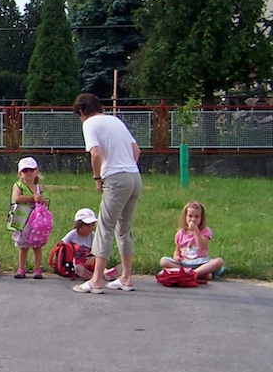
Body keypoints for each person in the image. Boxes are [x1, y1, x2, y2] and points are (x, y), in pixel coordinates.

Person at [72, 93, 142, 294]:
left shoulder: (90, 124)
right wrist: (126, 166)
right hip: (134, 176)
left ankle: (96, 280)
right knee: (124, 228)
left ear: (82, 111)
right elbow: (136, 151)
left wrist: (97, 178)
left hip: (115, 177)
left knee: (105, 227)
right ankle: (127, 278)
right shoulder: (115, 120)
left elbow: (95, 154)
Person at [159, 201, 226, 280]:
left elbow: (202, 247)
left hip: (201, 262)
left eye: (196, 216)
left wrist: (196, 231)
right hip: (184, 262)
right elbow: (177, 250)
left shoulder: (205, 231)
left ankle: (192, 273)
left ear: (201, 218)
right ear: (185, 217)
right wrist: (176, 256)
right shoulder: (181, 233)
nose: (193, 219)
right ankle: (194, 273)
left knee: (219, 261)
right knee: (163, 261)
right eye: (190, 216)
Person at [10, 156, 47, 279]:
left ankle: (37, 268)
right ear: (20, 173)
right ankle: (21, 268)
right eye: (25, 171)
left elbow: (46, 200)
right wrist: (32, 198)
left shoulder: (39, 188)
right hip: (23, 221)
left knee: (37, 246)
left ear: (36, 171)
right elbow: (17, 198)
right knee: (23, 246)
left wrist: (42, 200)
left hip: (36, 222)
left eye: (31, 170)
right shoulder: (19, 185)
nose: (29, 173)